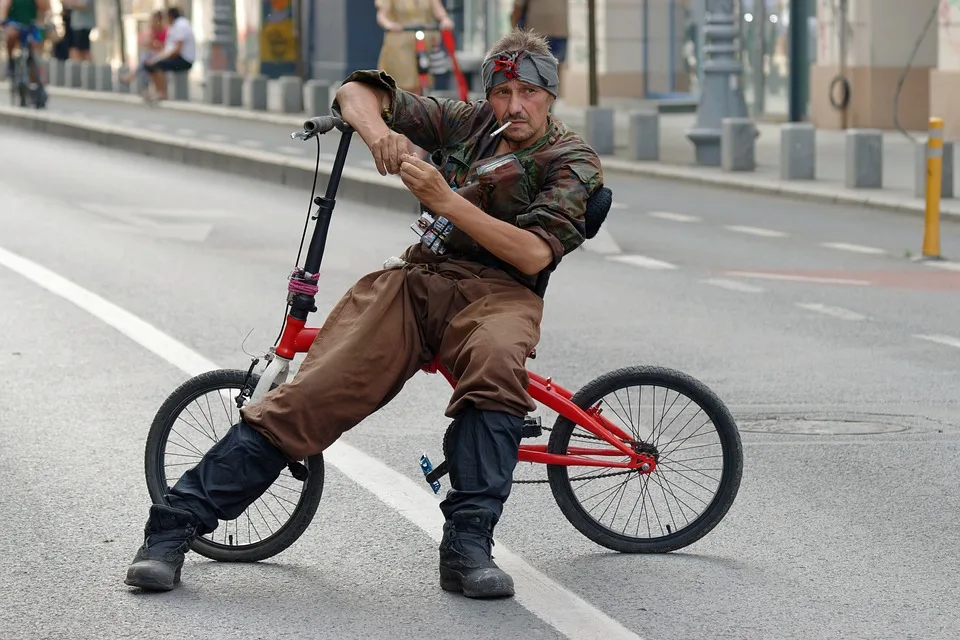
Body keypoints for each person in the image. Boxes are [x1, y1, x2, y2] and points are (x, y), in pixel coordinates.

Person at [123, 28, 603, 600]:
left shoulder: (571, 159)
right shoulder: (469, 123)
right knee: (314, 392)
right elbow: (356, 90)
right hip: (418, 279)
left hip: (502, 292)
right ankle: (172, 528)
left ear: (551, 94)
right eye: (502, 92)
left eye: (528, 92)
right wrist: (381, 137)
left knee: (496, 366)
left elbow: (532, 252)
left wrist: (445, 199)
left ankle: (467, 548)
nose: (514, 105)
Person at [375, 0, 455, 95]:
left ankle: (420, 104)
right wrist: (389, 24)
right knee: (403, 79)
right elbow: (382, 15)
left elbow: (439, 11)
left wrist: (445, 20)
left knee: (423, 80)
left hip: (423, 41)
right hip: (400, 40)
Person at [141, 6, 194, 101]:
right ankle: (157, 91)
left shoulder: (181, 25)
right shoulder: (175, 26)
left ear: (170, 16)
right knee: (149, 65)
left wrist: (158, 59)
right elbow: (168, 48)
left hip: (184, 59)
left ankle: (162, 93)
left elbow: (177, 49)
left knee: (159, 65)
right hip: (177, 57)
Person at [1, 0, 49, 88]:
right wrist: (3, 20)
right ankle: (10, 62)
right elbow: (4, 5)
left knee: (35, 47)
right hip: (15, 23)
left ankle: (36, 82)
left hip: (31, 24)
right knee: (12, 36)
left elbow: (45, 8)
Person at [512, 0, 568, 66]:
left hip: (536, 32)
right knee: (556, 68)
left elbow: (518, 7)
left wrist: (515, 30)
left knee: (533, 70)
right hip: (559, 28)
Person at [120, 10, 166, 86]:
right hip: (152, 56)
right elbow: (148, 44)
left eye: (155, 20)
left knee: (145, 60)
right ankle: (144, 86)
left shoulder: (165, 31)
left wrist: (155, 45)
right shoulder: (154, 32)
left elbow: (164, 48)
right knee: (145, 63)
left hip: (160, 56)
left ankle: (131, 75)